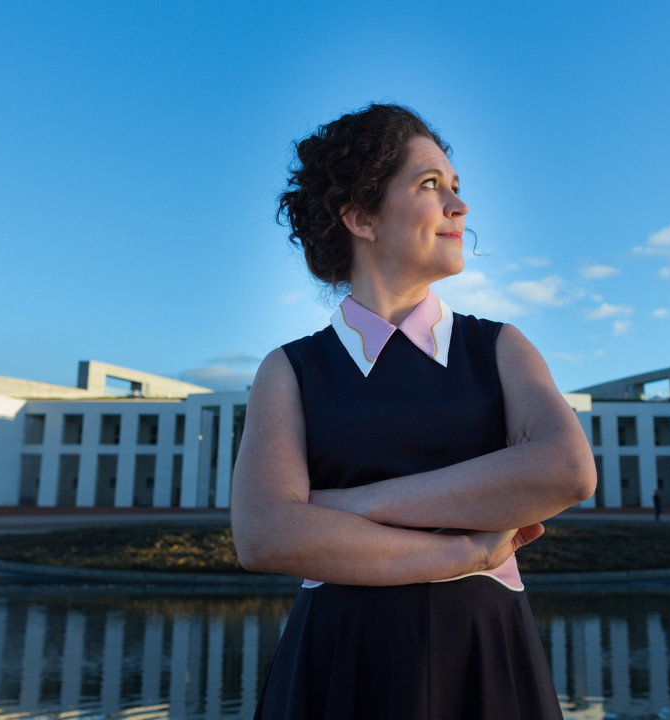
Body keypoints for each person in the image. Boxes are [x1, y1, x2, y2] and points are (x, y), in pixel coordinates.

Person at [231, 103, 595, 719]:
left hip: (484, 659)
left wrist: (348, 505)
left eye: (456, 187)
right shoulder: (289, 369)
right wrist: (465, 554)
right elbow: (265, 535)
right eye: (432, 185)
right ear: (362, 217)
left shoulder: (501, 345)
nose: (460, 206)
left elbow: (568, 472)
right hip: (338, 664)